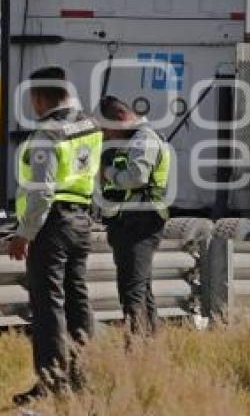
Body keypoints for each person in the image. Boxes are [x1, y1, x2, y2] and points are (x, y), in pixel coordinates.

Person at [8, 66, 102, 405]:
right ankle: (82, 377)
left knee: (48, 304)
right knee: (78, 302)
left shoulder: (47, 133)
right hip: (82, 221)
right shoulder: (90, 126)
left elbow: (42, 191)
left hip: (52, 223)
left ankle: (50, 383)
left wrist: (24, 233)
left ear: (39, 97)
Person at [98, 95, 171, 336]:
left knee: (132, 291)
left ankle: (135, 348)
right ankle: (149, 344)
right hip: (132, 222)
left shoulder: (144, 139)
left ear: (121, 118)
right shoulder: (136, 139)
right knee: (141, 287)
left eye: (108, 130)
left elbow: (136, 177)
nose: (107, 137)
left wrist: (108, 173)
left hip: (140, 223)